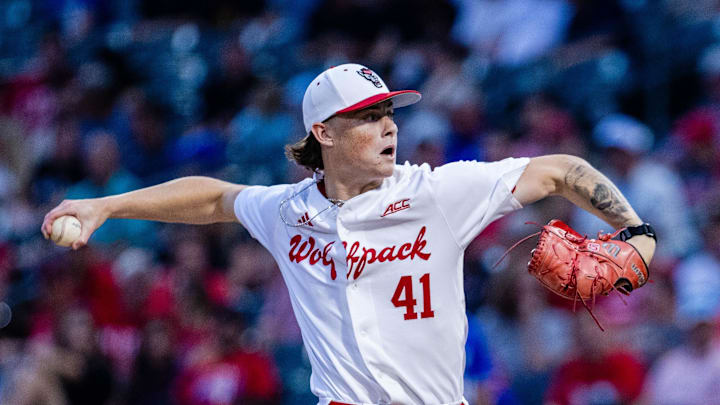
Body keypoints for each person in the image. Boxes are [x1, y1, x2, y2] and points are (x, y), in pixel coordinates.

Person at [42, 64, 656, 405]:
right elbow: (214, 198)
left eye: (389, 112)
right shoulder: (289, 211)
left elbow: (561, 170)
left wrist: (637, 234)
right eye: (368, 117)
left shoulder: (435, 193)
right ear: (325, 134)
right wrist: (106, 205)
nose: (388, 126)